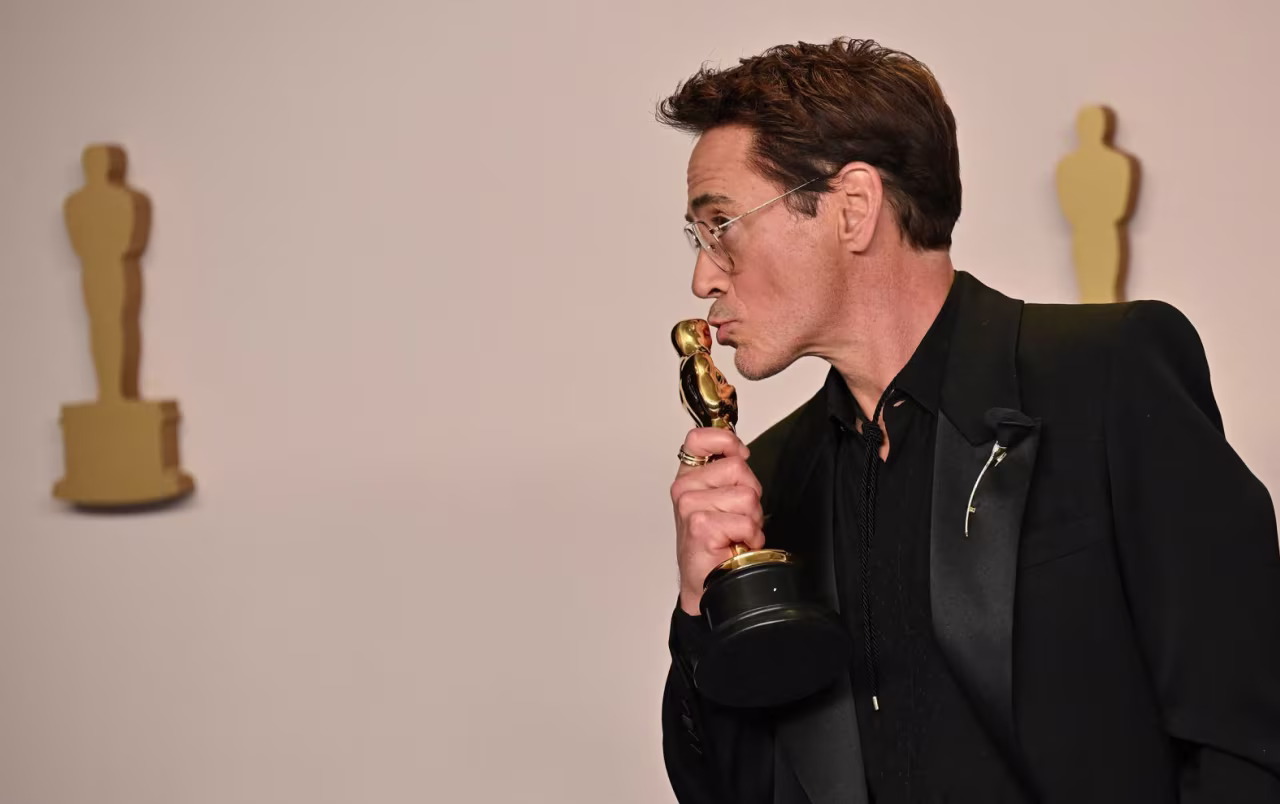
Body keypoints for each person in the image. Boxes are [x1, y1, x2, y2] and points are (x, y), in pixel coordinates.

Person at [657, 37, 1280, 804]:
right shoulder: (775, 477)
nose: (702, 274)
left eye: (721, 225)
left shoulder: (1109, 378)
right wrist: (700, 611)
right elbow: (731, 789)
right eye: (698, 237)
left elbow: (1247, 736)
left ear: (853, 208)